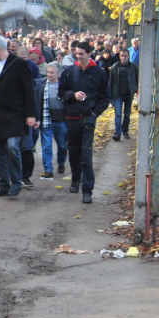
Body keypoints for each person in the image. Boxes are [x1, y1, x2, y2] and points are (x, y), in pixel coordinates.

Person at [0, 35, 37, 198]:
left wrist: (31, 114)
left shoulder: (19, 64)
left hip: (15, 113)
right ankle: (3, 184)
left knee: (13, 147)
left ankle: (16, 182)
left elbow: (28, 90)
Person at [59, 42, 109, 204]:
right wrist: (73, 95)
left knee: (86, 155)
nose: (78, 56)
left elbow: (104, 98)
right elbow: (61, 93)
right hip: (72, 118)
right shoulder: (69, 72)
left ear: (89, 53)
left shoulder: (99, 73)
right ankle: (75, 179)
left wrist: (95, 113)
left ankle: (87, 189)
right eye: (76, 53)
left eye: (81, 53)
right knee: (73, 152)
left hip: (88, 118)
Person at [36, 63, 68, 179]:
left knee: (62, 145)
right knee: (46, 146)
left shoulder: (63, 85)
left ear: (58, 73)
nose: (49, 75)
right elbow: (36, 101)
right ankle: (48, 170)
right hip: (46, 117)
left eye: (52, 72)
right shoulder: (41, 84)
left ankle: (61, 163)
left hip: (61, 119)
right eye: (48, 72)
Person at [109, 49, 138, 142]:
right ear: (119, 56)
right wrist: (110, 97)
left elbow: (137, 79)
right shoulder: (114, 67)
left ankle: (125, 131)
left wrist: (135, 90)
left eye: (125, 56)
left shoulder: (133, 67)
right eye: (122, 56)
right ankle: (117, 133)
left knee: (127, 114)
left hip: (129, 94)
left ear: (128, 56)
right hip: (117, 94)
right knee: (118, 114)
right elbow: (110, 82)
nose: (124, 57)